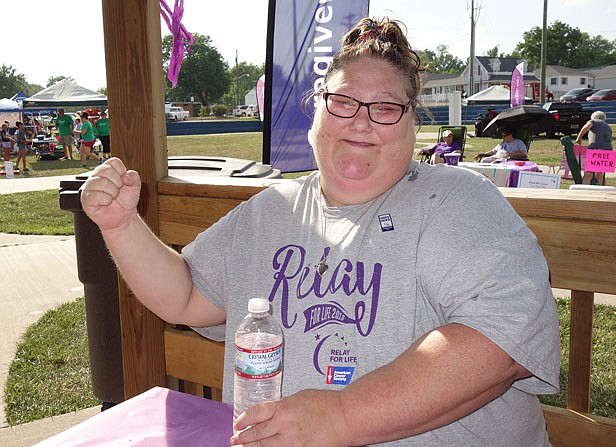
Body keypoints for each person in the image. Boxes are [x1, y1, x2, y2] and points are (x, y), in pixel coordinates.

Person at [80, 17, 558, 446]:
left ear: (413, 123)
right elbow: (184, 295)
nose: (360, 122)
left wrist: (340, 417)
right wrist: (121, 225)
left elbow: (500, 345)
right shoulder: (271, 210)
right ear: (316, 111)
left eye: (386, 108)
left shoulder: (456, 200)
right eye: (343, 101)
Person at [575, 110, 612, 186]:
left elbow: (586, 127)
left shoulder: (593, 121)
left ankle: (584, 190)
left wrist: (579, 137)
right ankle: (604, 189)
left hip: (595, 150)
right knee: (600, 173)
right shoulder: (608, 126)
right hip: (608, 151)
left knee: (588, 173)